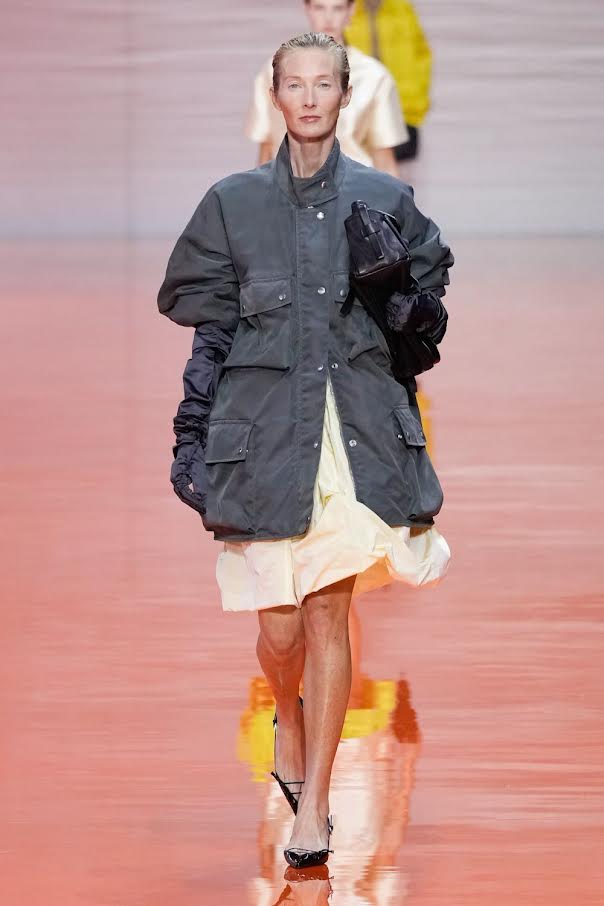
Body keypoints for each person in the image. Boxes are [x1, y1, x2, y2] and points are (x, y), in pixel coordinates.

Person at [157, 32, 453, 868]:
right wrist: (191, 429)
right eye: (297, 84)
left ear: (344, 94)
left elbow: (425, 333)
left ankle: (316, 805)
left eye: (326, 84)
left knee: (329, 609)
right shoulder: (232, 204)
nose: (312, 98)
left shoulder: (385, 202)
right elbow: (206, 325)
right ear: (276, 95)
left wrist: (396, 299)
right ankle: (284, 716)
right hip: (265, 436)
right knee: (281, 630)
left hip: (350, 436)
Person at [246, 0, 407, 177]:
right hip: (289, 186)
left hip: (354, 187)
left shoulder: (374, 76)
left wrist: (396, 195)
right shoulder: (273, 71)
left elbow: (384, 159)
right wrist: (258, 192)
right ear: (307, 9)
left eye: (337, 9)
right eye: (319, 8)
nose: (328, 18)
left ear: (351, 10)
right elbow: (267, 150)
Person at [345, 0, 432, 160]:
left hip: (403, 114)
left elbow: (421, 57)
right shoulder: (345, 11)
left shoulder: (401, 9)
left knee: (398, 169)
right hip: (358, 118)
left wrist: (416, 104)